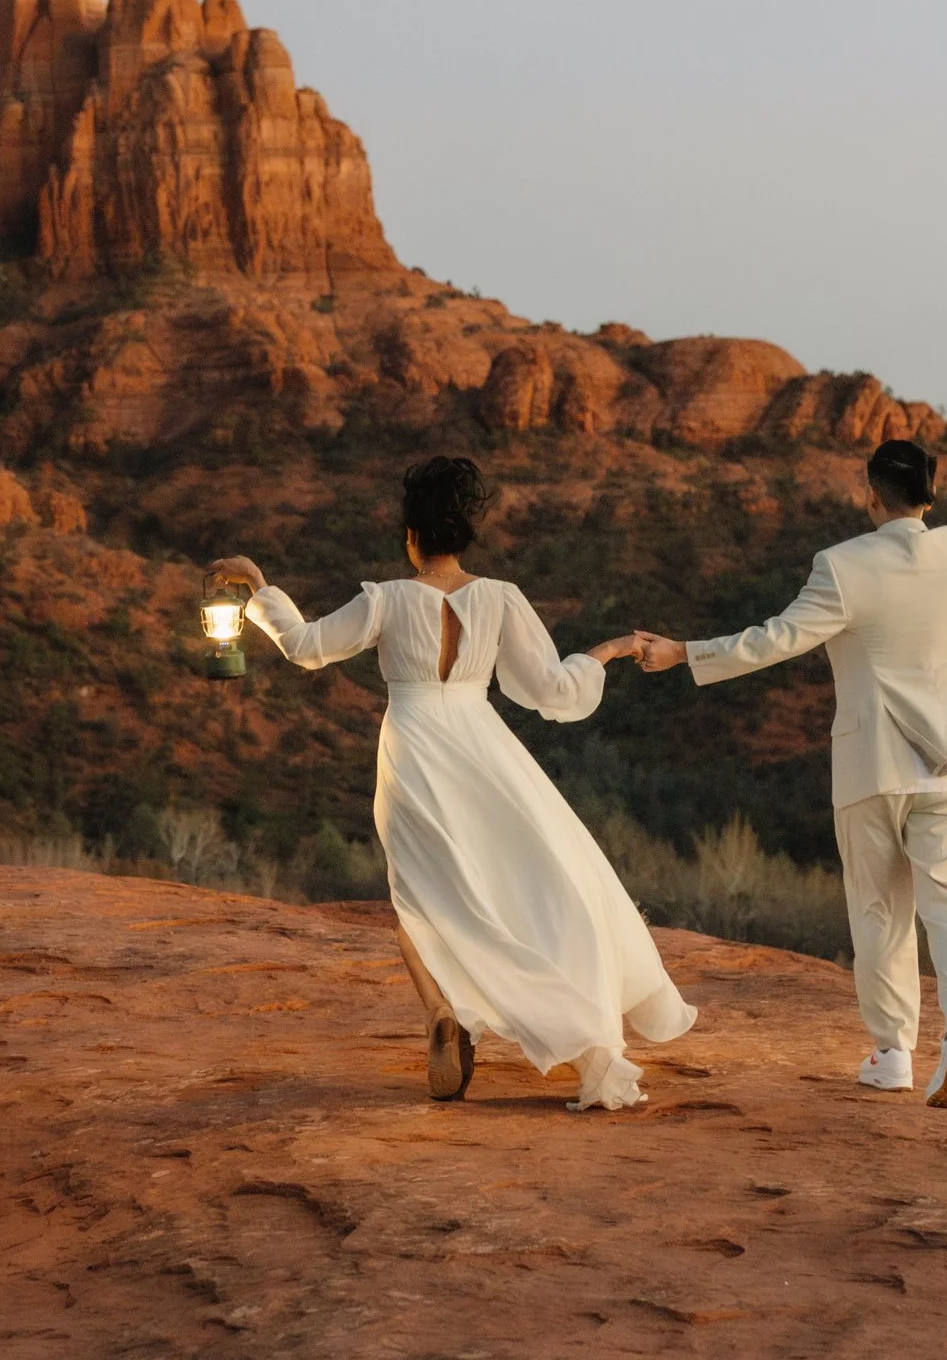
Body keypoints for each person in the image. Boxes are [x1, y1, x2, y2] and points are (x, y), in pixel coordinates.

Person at [207, 456, 696, 1111]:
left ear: (411, 534)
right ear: (466, 532)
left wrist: (261, 584)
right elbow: (549, 689)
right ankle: (558, 1023)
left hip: (412, 749)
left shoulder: (384, 598)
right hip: (483, 745)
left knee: (417, 891)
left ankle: (440, 1009)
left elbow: (305, 646)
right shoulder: (499, 598)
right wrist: (606, 650)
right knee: (523, 876)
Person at [633, 440, 947, 1109]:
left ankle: (892, 1054)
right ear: (930, 495)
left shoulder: (842, 566)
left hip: (874, 766)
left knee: (879, 909)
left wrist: (685, 652)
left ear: (869, 495)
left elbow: (773, 639)